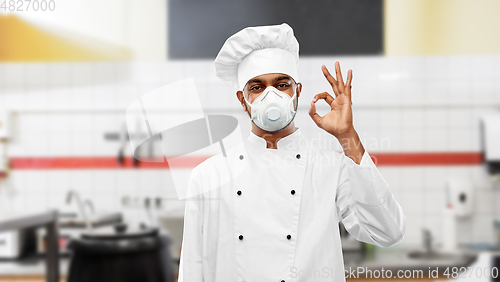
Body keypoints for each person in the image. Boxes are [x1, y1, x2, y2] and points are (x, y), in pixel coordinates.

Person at [178, 23, 405, 282]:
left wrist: (347, 137)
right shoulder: (208, 177)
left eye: (281, 84)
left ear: (297, 91)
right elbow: (192, 270)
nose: (270, 95)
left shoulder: (331, 168)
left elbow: (390, 232)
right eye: (257, 87)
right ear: (242, 100)